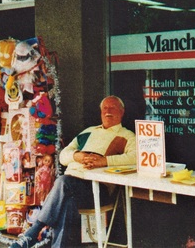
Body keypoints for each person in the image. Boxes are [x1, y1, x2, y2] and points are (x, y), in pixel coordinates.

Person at [10, 95, 136, 248]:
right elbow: (63, 156)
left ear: (121, 112)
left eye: (113, 108)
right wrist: (77, 156)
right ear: (100, 112)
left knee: (63, 182)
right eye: (105, 108)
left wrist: (105, 161)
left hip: (98, 190)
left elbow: (135, 157)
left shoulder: (127, 136)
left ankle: (33, 232)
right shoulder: (88, 132)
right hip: (71, 189)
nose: (108, 111)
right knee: (69, 202)